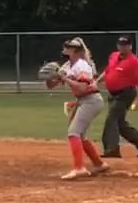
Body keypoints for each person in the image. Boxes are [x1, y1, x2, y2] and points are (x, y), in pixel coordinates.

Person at [45, 36, 110, 180]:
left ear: (76, 51)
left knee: (73, 132)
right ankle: (99, 164)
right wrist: (50, 77)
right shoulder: (67, 66)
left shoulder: (82, 65)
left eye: (69, 47)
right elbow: (51, 86)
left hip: (91, 100)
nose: (66, 48)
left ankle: (79, 168)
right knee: (79, 135)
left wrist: (64, 78)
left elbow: (82, 87)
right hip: (83, 101)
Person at [100, 35, 138, 159]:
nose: (123, 47)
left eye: (126, 45)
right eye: (121, 45)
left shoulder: (134, 61)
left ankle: (112, 149)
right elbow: (107, 71)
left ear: (130, 46)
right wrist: (96, 81)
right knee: (120, 123)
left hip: (125, 94)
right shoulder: (113, 56)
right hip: (113, 94)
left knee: (111, 119)